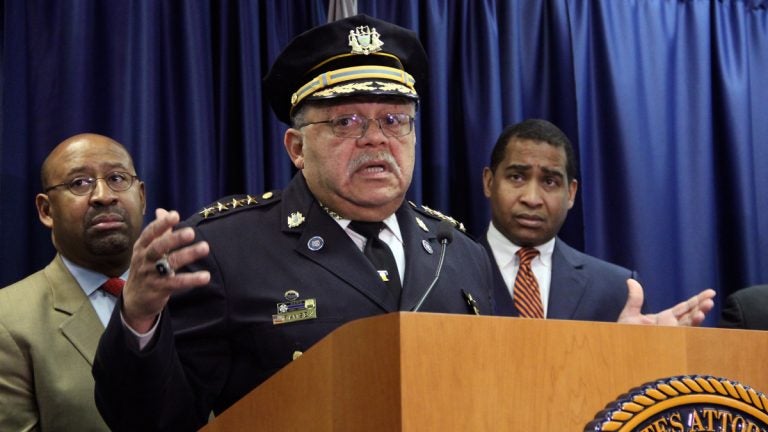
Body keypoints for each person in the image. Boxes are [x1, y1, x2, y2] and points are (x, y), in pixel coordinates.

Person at [93, 14, 494, 431]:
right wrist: (138, 319)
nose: (376, 138)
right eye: (346, 121)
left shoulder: (460, 252)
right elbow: (151, 421)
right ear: (297, 147)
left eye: (394, 120)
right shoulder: (225, 251)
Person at [482, 119, 715, 324]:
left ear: (571, 193)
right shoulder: (447, 272)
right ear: (489, 182)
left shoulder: (617, 289)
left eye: (550, 182)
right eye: (517, 177)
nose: (532, 199)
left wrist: (642, 349)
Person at [0, 133, 145, 431]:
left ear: (141, 197)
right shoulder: (8, 320)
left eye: (117, 178)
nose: (104, 195)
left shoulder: (191, 296)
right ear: (46, 210)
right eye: (79, 183)